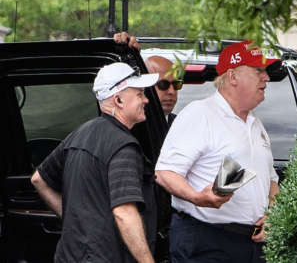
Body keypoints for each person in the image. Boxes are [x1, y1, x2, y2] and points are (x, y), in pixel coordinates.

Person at [155, 40, 280, 263]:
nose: (266, 77)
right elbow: (165, 173)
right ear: (232, 77)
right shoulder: (200, 114)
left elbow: (271, 181)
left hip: (254, 246)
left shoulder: (255, 123)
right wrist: (197, 197)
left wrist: (273, 215)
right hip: (207, 241)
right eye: (258, 71)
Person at [31, 61, 159, 263]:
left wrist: (75, 224)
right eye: (139, 94)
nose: (146, 100)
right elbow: (124, 212)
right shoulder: (123, 146)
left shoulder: (80, 133)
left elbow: (39, 179)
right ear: (118, 100)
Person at [113, 32, 182, 263]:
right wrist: (127, 52)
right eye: (162, 85)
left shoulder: (183, 125)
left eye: (176, 84)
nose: (171, 91)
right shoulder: (130, 125)